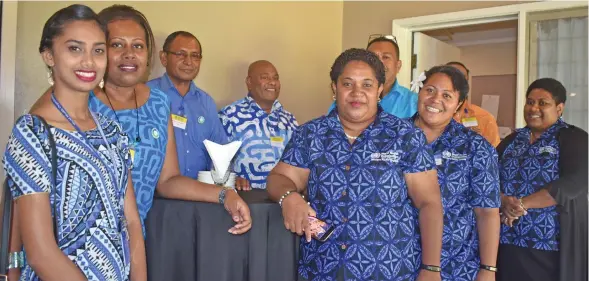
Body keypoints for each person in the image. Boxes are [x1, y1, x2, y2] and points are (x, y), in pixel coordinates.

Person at [31, 5, 251, 235]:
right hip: (63, 246)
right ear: (99, 50)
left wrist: (224, 194)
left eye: (138, 46)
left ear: (148, 56)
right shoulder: (76, 97)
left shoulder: (158, 102)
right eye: (116, 45)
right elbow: (28, 181)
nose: (129, 54)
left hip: (131, 245)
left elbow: (168, 180)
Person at [267, 48, 444, 281]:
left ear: (379, 89)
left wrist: (431, 269)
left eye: (367, 85)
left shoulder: (405, 136)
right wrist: (289, 197)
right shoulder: (311, 134)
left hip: (390, 270)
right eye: (347, 84)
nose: (357, 93)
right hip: (323, 269)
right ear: (334, 88)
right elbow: (279, 178)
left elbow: (429, 203)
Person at [2, 4, 146, 280]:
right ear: (49, 55)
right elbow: (41, 252)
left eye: (98, 50)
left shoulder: (111, 130)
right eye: (74, 49)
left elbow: (131, 223)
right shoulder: (33, 132)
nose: (89, 62)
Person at [412, 65, 500, 281]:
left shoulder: (475, 147)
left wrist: (488, 270)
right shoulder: (392, 138)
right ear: (420, 92)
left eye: (447, 95)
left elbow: (487, 212)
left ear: (459, 104)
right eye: (430, 90)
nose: (435, 99)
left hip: (455, 266)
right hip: (394, 263)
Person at [496, 78, 588, 281]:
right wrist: (503, 200)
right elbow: (488, 179)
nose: (533, 108)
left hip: (550, 247)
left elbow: (574, 182)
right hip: (507, 242)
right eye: (530, 102)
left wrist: (521, 204)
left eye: (542, 103)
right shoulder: (512, 141)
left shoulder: (574, 138)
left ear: (559, 108)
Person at [147, 31, 228, 178]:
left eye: (195, 56)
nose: (189, 62)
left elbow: (220, 150)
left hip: (199, 193)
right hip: (154, 195)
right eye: (181, 54)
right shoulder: (146, 95)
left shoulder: (206, 102)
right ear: (164, 58)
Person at [218, 60, 298, 190]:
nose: (272, 82)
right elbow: (217, 161)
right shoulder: (229, 116)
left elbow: (298, 163)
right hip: (244, 199)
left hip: (283, 199)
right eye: (265, 77)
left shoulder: (289, 120)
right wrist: (232, 178)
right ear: (249, 82)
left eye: (275, 78)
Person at [328, 35, 417, 118]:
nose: (379, 62)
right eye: (373, 57)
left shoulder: (413, 102)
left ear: (398, 66)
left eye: (385, 57)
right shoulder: (347, 97)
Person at [446, 61, 500, 147]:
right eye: (450, 77)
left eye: (462, 78)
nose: (456, 83)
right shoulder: (430, 115)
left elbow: (494, 154)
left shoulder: (485, 118)